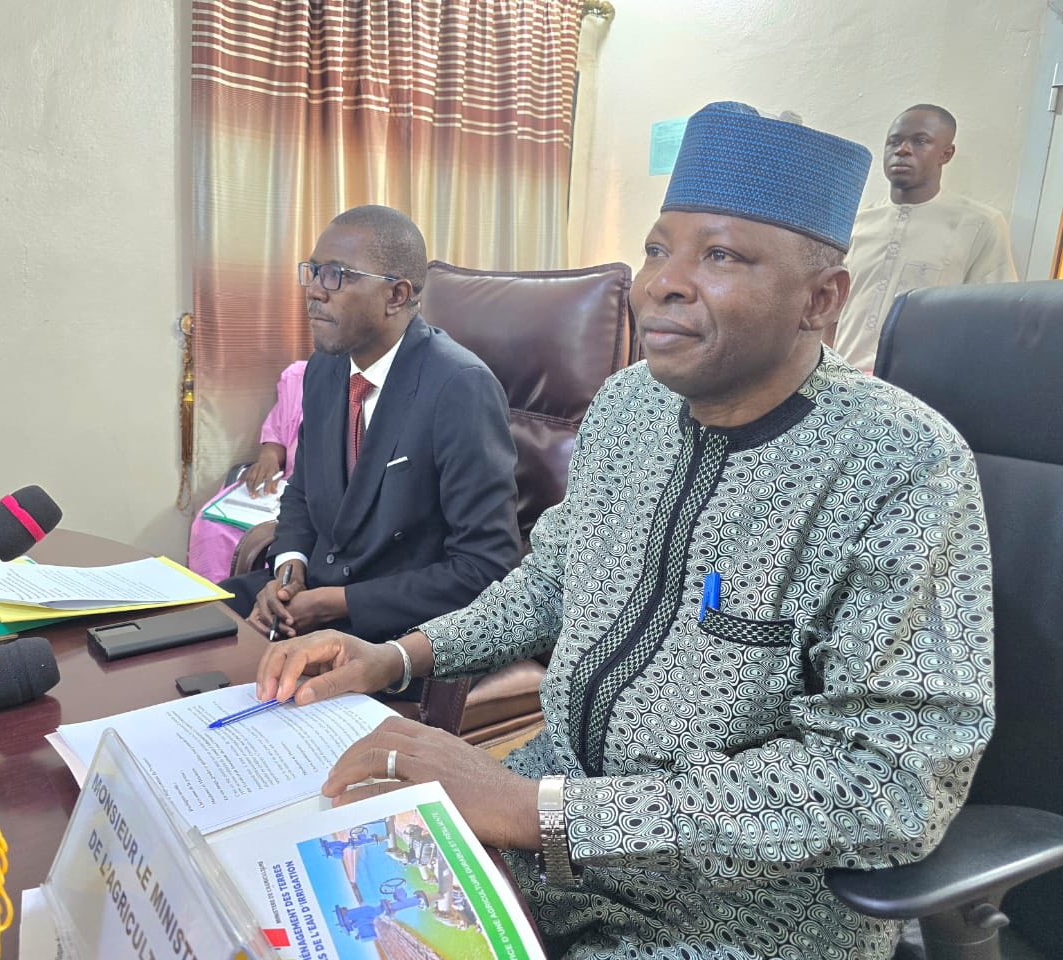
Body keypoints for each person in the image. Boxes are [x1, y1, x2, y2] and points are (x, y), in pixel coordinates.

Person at [255, 103, 995, 960]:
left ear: (821, 300)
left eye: (719, 256)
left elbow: (890, 780)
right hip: (543, 813)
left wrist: (547, 814)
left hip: (738, 908)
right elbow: (550, 584)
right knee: (301, 895)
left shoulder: (901, 462)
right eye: (655, 249)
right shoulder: (626, 406)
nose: (660, 285)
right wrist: (395, 656)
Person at [221, 204, 521, 646]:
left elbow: (485, 566)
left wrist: (338, 603)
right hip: (311, 597)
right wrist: (288, 570)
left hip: (389, 624)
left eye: (336, 275)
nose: (314, 291)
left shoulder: (460, 387)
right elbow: (302, 492)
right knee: (189, 629)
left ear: (396, 296)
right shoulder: (325, 368)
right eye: (313, 271)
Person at [832, 103, 1017, 372]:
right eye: (894, 141)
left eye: (920, 141)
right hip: (843, 381)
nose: (903, 150)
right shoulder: (856, 222)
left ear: (946, 154)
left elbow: (996, 321)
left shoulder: (979, 225)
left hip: (921, 387)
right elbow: (827, 312)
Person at [187, 359, 306, 583]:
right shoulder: (299, 376)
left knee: (269, 542)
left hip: (314, 496)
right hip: (283, 486)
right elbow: (277, 434)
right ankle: (213, 598)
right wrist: (268, 458)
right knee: (211, 523)